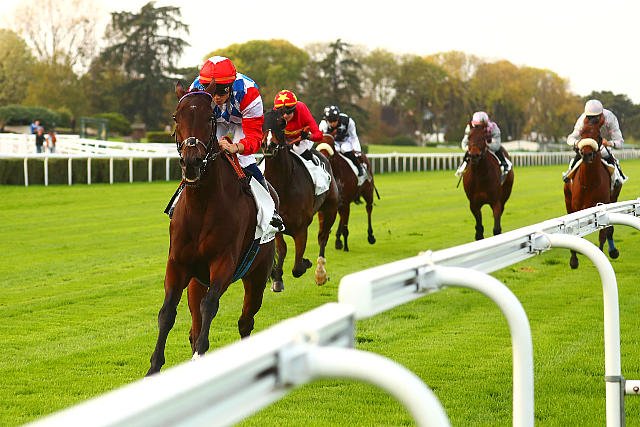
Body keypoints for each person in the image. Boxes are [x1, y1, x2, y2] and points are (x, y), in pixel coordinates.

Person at [188, 55, 283, 230]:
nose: (216, 98)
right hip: (214, 121)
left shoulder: (249, 93)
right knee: (201, 156)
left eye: (221, 92)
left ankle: (270, 208)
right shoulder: (195, 91)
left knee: (244, 159)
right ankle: (179, 202)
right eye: (213, 92)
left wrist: (235, 147)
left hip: (242, 123)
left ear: (231, 86)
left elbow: (254, 138)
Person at [564, 99, 627, 186]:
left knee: (606, 153)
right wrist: (577, 143)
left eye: (595, 117)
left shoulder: (610, 118)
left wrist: (609, 143)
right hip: (587, 145)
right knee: (580, 155)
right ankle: (569, 172)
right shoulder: (582, 120)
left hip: (603, 146)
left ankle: (617, 178)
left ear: (601, 114)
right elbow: (570, 139)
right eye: (589, 117)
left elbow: (620, 142)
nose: (592, 120)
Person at [272, 89, 323, 161]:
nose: (285, 116)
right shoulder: (274, 115)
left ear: (294, 109)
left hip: (303, 139)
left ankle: (314, 161)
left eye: (288, 112)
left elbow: (319, 135)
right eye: (281, 112)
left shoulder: (302, 109)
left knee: (298, 149)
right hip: (286, 141)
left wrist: (308, 136)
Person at [456, 111, 509, 177]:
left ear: (486, 123)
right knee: (470, 152)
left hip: (490, 145)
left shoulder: (493, 127)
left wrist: (487, 145)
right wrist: (469, 147)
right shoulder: (469, 128)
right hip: (476, 146)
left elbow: (497, 145)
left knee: (498, 150)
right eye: (477, 125)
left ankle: (504, 164)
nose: (479, 128)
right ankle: (462, 166)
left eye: (481, 125)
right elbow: (464, 143)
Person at [319, 105, 364, 176]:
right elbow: (323, 140)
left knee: (344, 149)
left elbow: (354, 137)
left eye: (335, 121)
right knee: (335, 150)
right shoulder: (323, 124)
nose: (333, 123)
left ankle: (359, 167)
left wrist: (357, 151)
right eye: (330, 121)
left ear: (338, 118)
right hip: (333, 142)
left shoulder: (348, 121)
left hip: (346, 140)